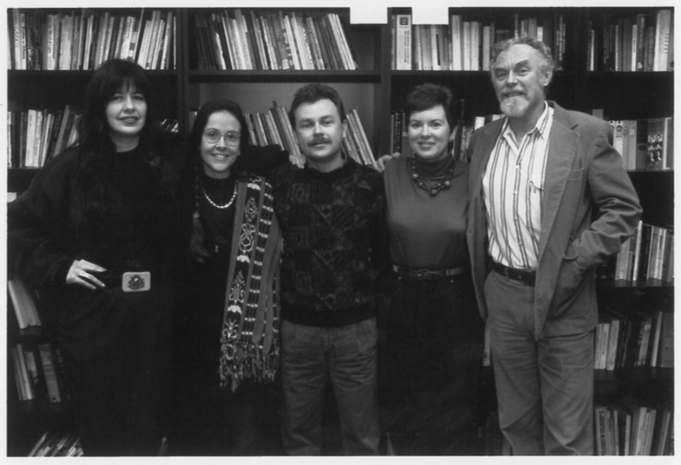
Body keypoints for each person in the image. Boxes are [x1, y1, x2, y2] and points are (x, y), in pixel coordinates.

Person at [465, 36, 642, 455]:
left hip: (564, 298)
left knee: (566, 436)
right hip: (504, 297)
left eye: (521, 70)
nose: (510, 81)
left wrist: (577, 260)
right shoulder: (483, 140)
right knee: (516, 425)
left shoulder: (585, 133)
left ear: (545, 75)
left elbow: (624, 208)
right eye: (500, 73)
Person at [7, 59, 187, 455]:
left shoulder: (168, 162)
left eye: (137, 97)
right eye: (117, 97)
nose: (129, 107)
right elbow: (14, 227)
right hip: (94, 322)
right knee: (105, 436)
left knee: (150, 432)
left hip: (155, 321)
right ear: (99, 107)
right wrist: (60, 267)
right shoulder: (72, 165)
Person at [271, 83, 391, 455]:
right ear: (295, 133)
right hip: (298, 331)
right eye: (307, 125)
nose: (318, 132)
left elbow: (383, 256)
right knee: (299, 437)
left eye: (326, 121)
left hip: (355, 330)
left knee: (361, 437)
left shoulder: (372, 183)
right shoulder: (281, 183)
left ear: (343, 126)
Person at [170, 99, 285, 455]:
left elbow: (278, 156)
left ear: (241, 145)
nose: (221, 145)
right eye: (212, 135)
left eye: (231, 137)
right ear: (198, 140)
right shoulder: (175, 190)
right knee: (198, 439)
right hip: (189, 335)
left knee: (246, 440)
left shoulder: (261, 190)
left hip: (246, 334)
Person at [381, 83, 484, 455]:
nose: (425, 133)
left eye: (436, 124)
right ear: (405, 131)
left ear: (453, 130)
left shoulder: (475, 178)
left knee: (456, 408)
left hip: (457, 302)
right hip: (401, 300)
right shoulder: (388, 172)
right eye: (416, 125)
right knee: (405, 404)